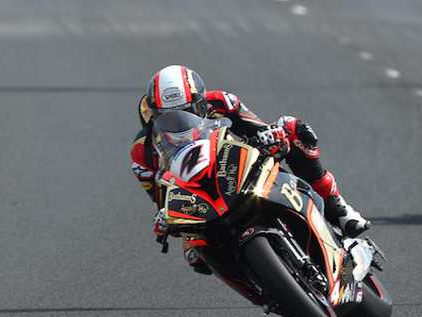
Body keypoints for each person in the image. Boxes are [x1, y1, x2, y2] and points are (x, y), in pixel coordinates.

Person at [131, 65, 370, 271]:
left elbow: (258, 128)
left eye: (187, 110)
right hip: (198, 197)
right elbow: (161, 198)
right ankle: (261, 284)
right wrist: (163, 217)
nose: (180, 120)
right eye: (168, 115)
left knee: (294, 130)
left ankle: (339, 210)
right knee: (194, 254)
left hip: (241, 169)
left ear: (200, 102)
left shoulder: (223, 102)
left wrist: (273, 135)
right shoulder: (142, 150)